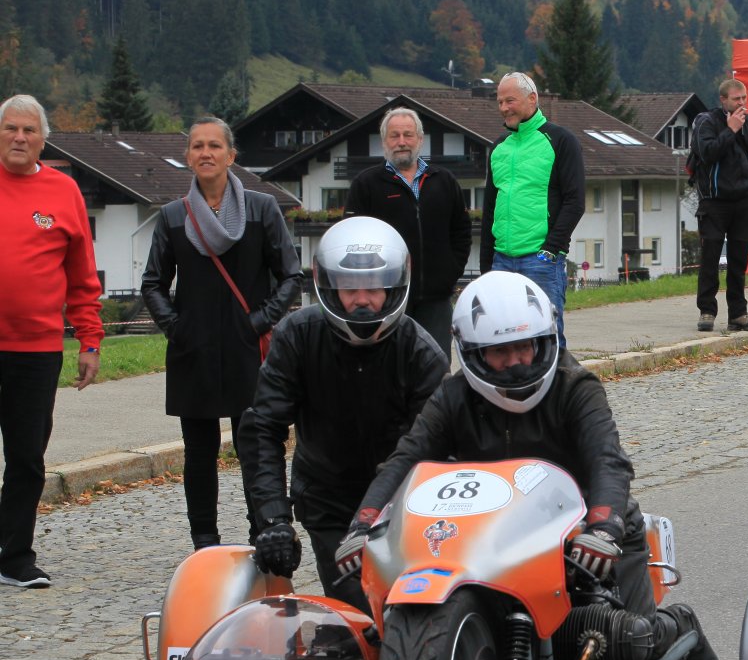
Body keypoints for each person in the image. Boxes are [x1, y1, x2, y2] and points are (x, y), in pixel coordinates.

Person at [334, 271, 723, 660]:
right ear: (473, 352)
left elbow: (608, 460)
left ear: (544, 340)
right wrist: (363, 524)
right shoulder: (452, 396)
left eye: (526, 346)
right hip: (496, 533)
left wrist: (605, 526)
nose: (517, 361)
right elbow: (405, 460)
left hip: (583, 529)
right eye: (501, 352)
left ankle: (679, 624)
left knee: (632, 655)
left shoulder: (575, 386)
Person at [236, 217, 447, 612]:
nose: (361, 300)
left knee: (413, 604)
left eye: (373, 289)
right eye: (350, 289)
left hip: (401, 500)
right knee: (357, 609)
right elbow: (263, 427)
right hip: (326, 498)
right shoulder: (297, 336)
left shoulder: (421, 352)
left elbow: (440, 444)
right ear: (330, 287)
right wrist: (273, 519)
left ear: (393, 288)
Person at [140, 117, 302, 549]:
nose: (205, 153)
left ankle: (263, 532)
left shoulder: (261, 208)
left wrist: (259, 321)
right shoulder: (174, 216)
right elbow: (153, 283)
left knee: (256, 448)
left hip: (248, 349)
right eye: (197, 146)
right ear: (188, 156)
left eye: (214, 146)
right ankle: (204, 542)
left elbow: (291, 275)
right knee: (199, 453)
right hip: (193, 352)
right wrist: (177, 328)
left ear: (231, 156)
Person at [0, 94, 102, 589]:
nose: (19, 138)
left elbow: (82, 275)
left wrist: (90, 340)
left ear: (43, 140)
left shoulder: (63, 192)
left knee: (26, 458)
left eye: (29, 130)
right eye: (10, 128)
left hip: (35, 350)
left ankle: (13, 557)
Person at [346, 106, 472, 353]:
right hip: (386, 300)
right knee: (390, 365)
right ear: (384, 141)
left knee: (435, 364)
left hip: (436, 300)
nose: (402, 142)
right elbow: (351, 239)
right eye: (394, 136)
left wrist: (449, 273)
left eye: (408, 135)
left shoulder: (444, 181)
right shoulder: (366, 185)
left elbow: (461, 232)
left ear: (420, 139)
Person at [480, 72, 584, 349]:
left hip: (541, 260)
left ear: (532, 99)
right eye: (500, 102)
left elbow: (575, 202)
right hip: (501, 261)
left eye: (510, 100)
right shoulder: (498, 147)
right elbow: (490, 209)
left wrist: (550, 249)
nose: (504, 108)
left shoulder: (561, 140)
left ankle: (556, 378)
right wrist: (486, 266)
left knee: (546, 339)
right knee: (503, 340)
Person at [692, 78, 748, 334]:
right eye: (736, 99)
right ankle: (707, 311)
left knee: (739, 260)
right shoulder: (706, 122)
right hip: (714, 201)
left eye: (744, 98)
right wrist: (730, 130)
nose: (742, 103)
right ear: (723, 100)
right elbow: (707, 153)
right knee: (711, 256)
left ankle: (738, 314)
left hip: (744, 201)